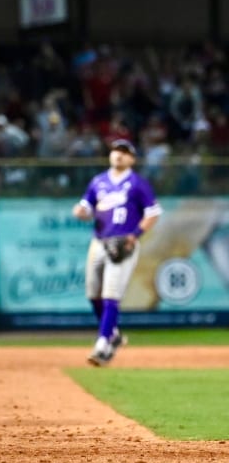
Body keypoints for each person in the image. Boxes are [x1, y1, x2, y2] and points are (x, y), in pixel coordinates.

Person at [72, 138, 162, 366]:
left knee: (111, 293)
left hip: (125, 243)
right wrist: (81, 211)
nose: (118, 155)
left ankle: (102, 344)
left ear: (132, 158)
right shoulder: (98, 182)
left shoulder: (138, 183)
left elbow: (152, 213)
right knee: (93, 293)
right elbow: (85, 207)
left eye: (124, 152)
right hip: (99, 242)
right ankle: (113, 334)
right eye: (115, 151)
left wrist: (134, 236)